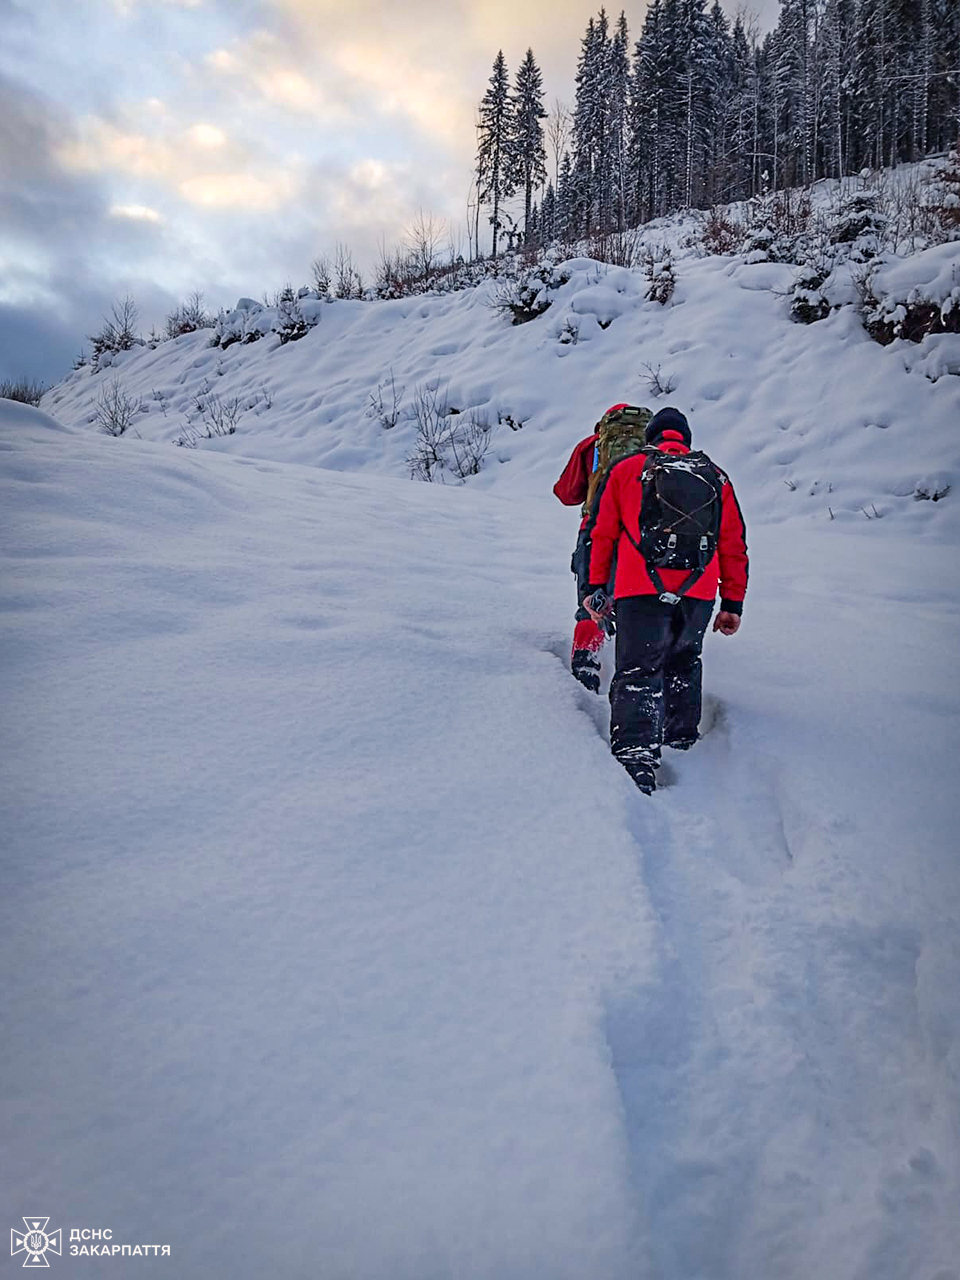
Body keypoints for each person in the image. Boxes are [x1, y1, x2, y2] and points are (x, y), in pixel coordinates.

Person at [583, 406, 748, 795]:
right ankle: (682, 741)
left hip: (638, 588)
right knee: (684, 661)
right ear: (685, 440)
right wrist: (732, 603)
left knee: (638, 669)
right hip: (699, 592)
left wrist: (594, 588)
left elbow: (602, 534)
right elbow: (733, 544)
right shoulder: (716, 476)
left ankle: (637, 754)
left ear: (650, 438)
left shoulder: (625, 471)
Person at [553, 404, 630, 692]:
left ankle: (586, 667)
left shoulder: (591, 446)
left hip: (594, 531)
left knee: (591, 601)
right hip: (637, 538)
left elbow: (566, 493)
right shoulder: (651, 451)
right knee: (637, 605)